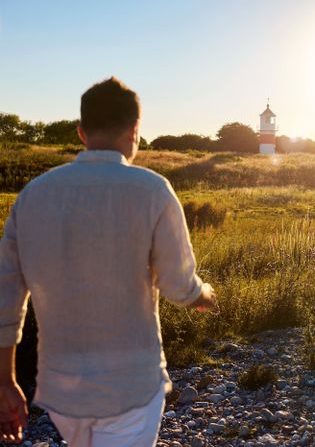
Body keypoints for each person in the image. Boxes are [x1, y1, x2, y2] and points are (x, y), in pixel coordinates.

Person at [0, 77, 217, 446]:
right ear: (135, 130)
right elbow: (179, 285)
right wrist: (204, 295)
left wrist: (5, 380)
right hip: (129, 388)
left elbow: (5, 297)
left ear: (82, 132)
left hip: (62, 393)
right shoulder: (153, 190)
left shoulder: (33, 195)